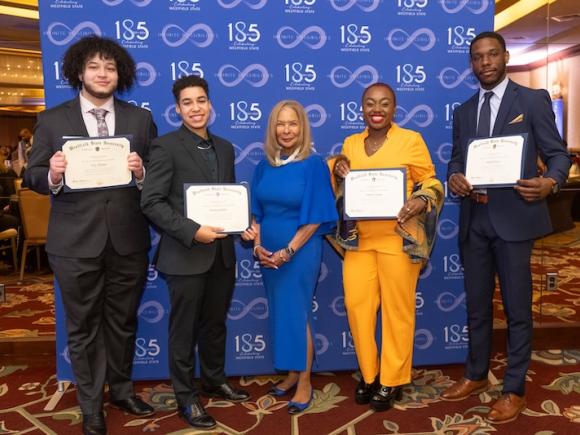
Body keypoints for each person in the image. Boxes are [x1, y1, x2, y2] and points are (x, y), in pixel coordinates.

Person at [25, 35, 157, 435]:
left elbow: (159, 176)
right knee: (82, 327)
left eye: (111, 67)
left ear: (121, 75)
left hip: (128, 240)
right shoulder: (52, 120)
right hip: (74, 244)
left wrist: (141, 174)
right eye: (95, 67)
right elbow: (31, 175)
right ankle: (90, 405)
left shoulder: (139, 120)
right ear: (79, 72)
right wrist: (53, 174)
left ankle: (120, 389)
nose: (103, 74)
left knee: (122, 322)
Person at [441, 31, 571, 424]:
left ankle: (513, 388)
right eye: (477, 57)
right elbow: (455, 161)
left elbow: (557, 154)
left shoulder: (531, 101)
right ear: (472, 63)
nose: (485, 63)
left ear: (505, 56)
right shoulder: (463, 111)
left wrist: (551, 182)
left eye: (492, 55)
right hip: (474, 221)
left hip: (515, 220)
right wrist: (455, 178)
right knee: (477, 308)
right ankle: (477, 375)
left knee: (517, 310)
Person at [140, 75, 249, 430]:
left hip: (222, 254)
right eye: (187, 103)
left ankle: (214, 379)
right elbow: (151, 202)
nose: (196, 108)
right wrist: (192, 231)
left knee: (215, 324)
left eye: (201, 100)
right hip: (185, 255)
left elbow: (226, 200)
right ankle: (186, 398)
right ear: (178, 110)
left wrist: (242, 224)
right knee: (183, 331)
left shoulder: (226, 147)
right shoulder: (165, 146)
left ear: (210, 104)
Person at [332, 83, 443, 412]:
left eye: (384, 103)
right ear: (362, 108)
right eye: (370, 103)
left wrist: (421, 200)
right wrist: (338, 169)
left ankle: (392, 379)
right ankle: (369, 374)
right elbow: (343, 185)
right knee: (357, 307)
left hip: (398, 239)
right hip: (360, 242)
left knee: (397, 311)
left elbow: (431, 181)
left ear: (394, 108)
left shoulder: (411, 140)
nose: (376, 109)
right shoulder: (351, 143)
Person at [242, 100, 337, 414]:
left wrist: (288, 251)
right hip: (268, 253)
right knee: (284, 311)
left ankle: (305, 380)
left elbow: (314, 218)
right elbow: (256, 214)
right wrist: (257, 247)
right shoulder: (264, 165)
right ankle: (293, 371)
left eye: (292, 123)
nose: (286, 130)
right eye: (280, 124)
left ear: (302, 127)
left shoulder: (313, 164)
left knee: (296, 312)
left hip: (299, 251)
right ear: (273, 128)